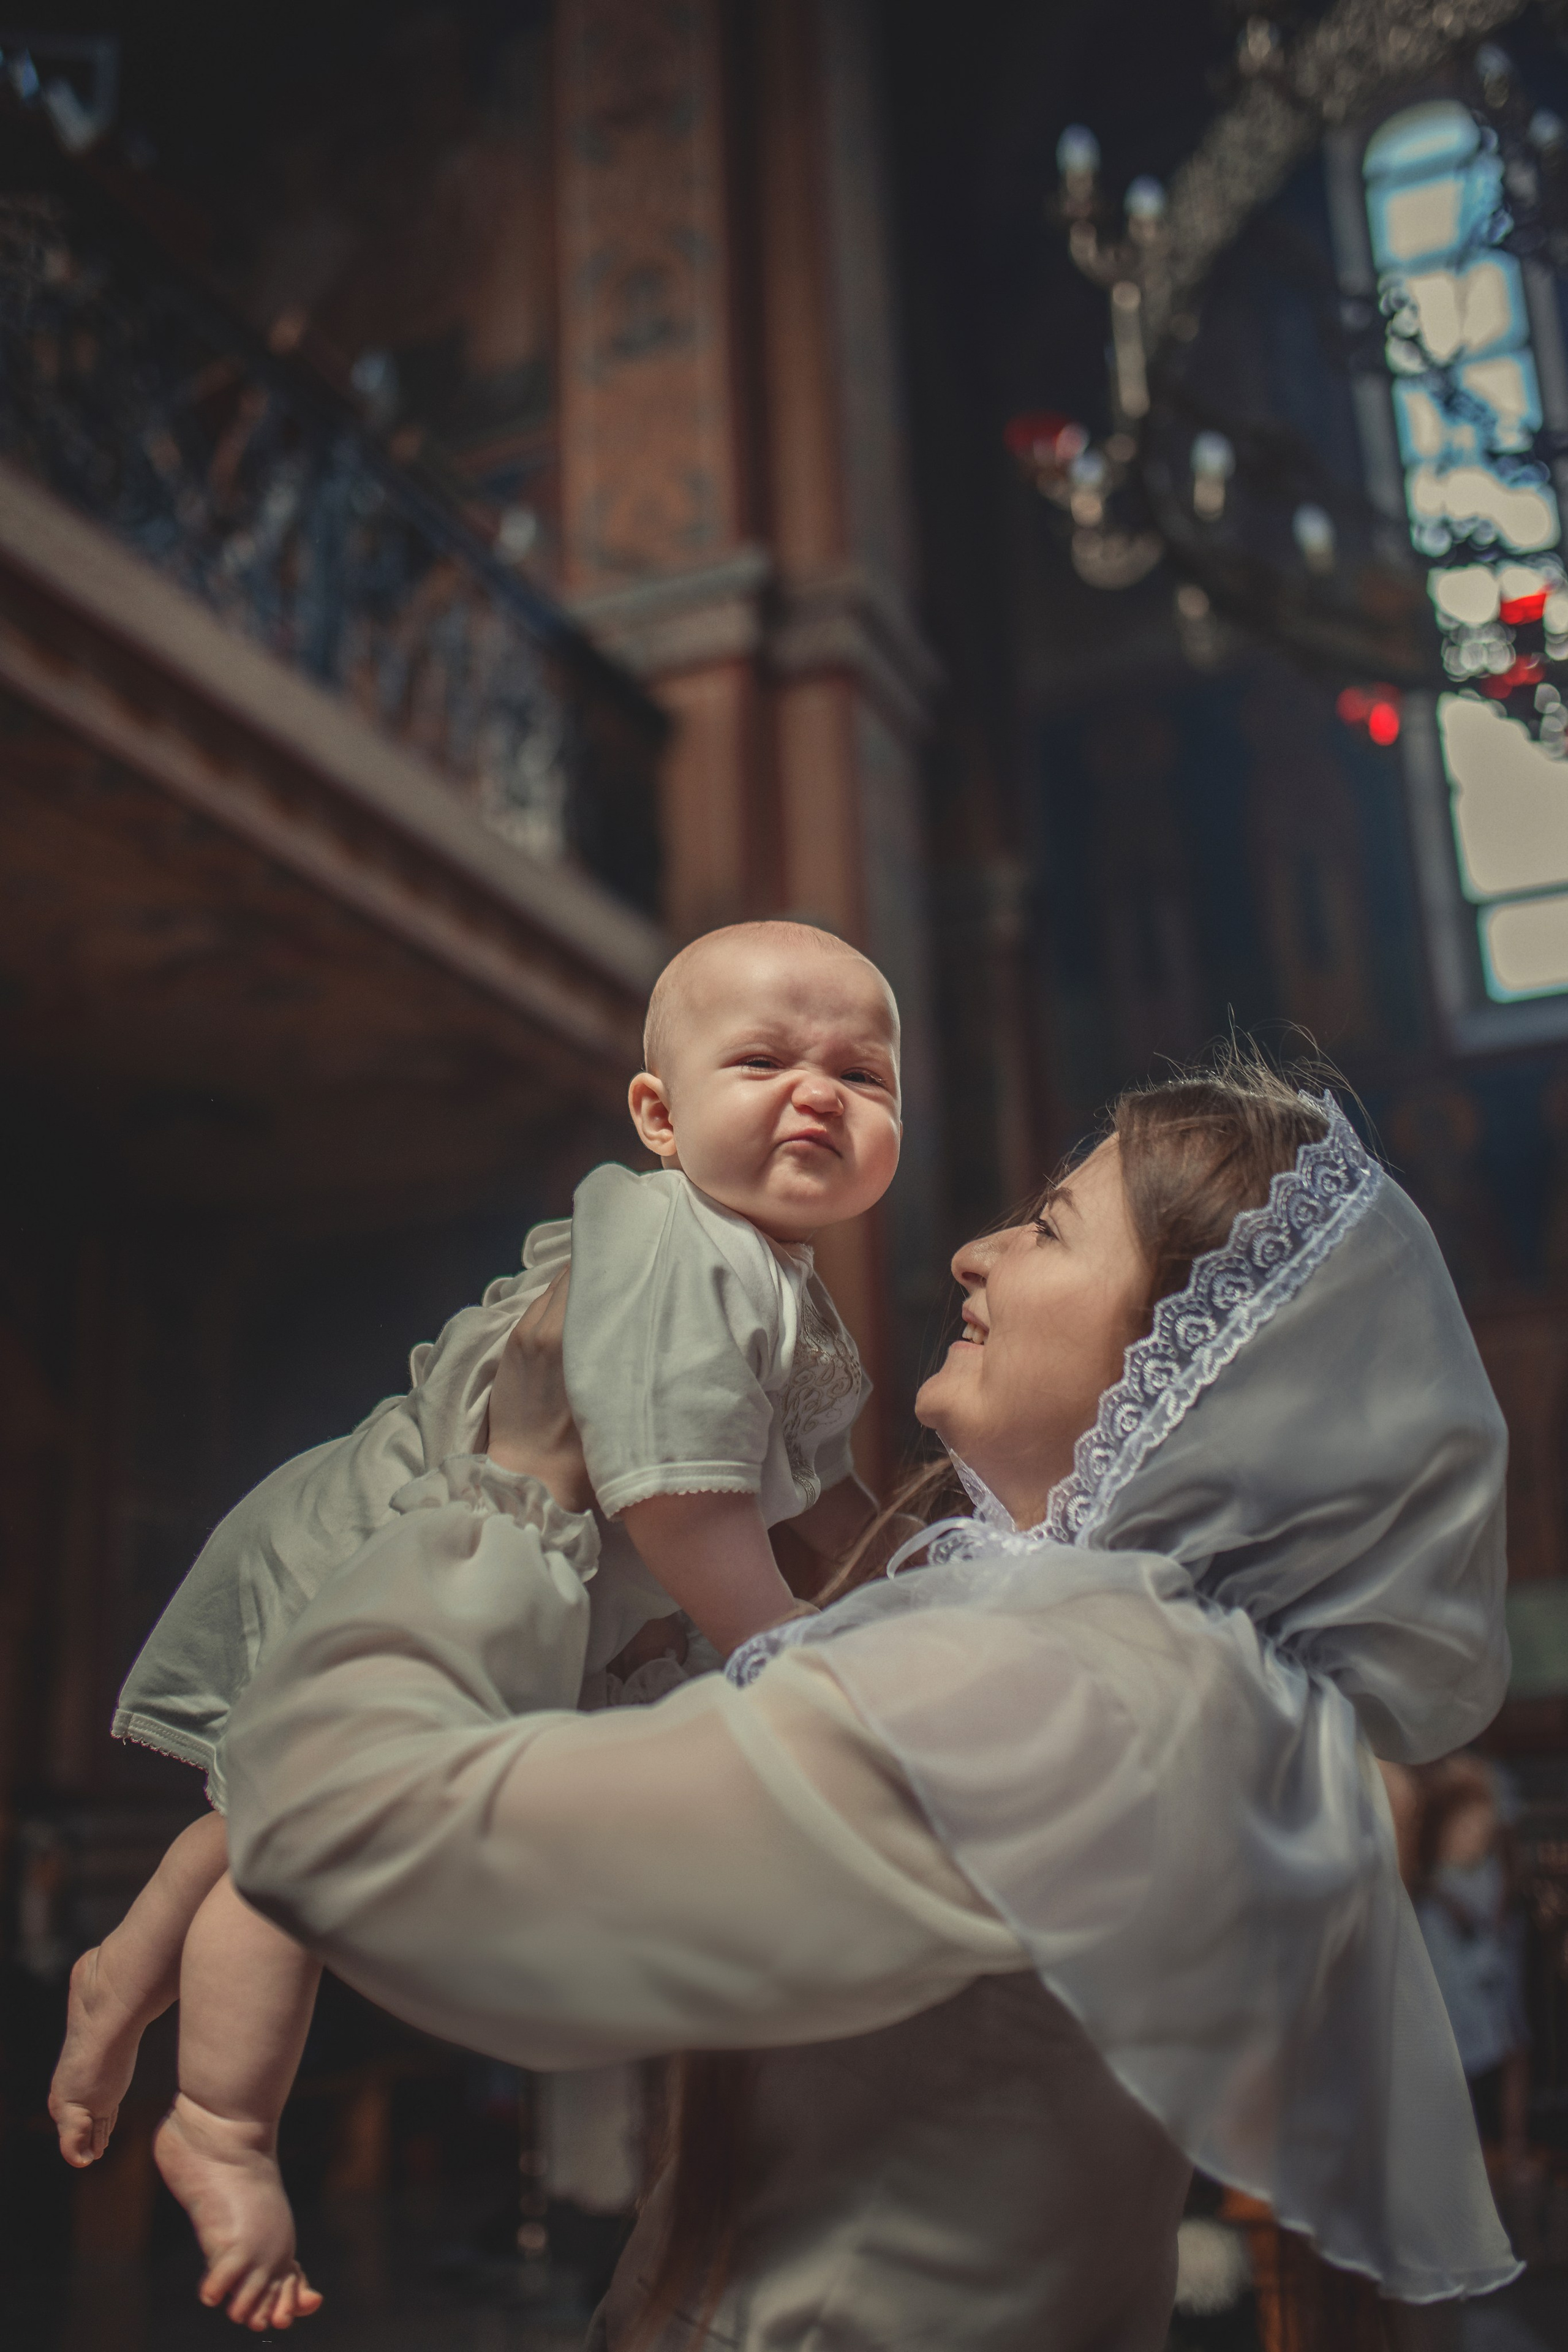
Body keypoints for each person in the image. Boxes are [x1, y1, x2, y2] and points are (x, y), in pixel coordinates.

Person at [224, 1059, 1521, 2348]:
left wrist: (522, 1478)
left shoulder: (1049, 1692)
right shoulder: (1175, 1677)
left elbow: (353, 1834)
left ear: (1207, 1363)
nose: (971, 1253)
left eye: (1047, 1227)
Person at [49, 919, 903, 2333]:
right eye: (761, 1060)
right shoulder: (684, 1251)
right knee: (316, 1844)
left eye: (860, 1076)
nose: (816, 1092)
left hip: (501, 1565)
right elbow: (684, 1509)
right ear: (658, 1114)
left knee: (289, 1788)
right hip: (457, 1547)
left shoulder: (775, 1284)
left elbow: (817, 1495)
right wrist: (793, 1651)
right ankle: (222, 2124)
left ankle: (130, 1962)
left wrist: (914, 1570)